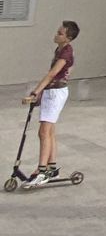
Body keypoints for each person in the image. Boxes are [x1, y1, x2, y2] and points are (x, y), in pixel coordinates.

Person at [21, 21, 79, 187]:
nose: (56, 35)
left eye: (60, 33)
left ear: (68, 38)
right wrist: (41, 93)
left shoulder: (66, 53)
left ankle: (42, 171)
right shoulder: (60, 49)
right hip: (51, 92)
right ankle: (52, 168)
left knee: (43, 132)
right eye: (58, 32)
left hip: (55, 94)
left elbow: (52, 74)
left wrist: (35, 92)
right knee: (50, 131)